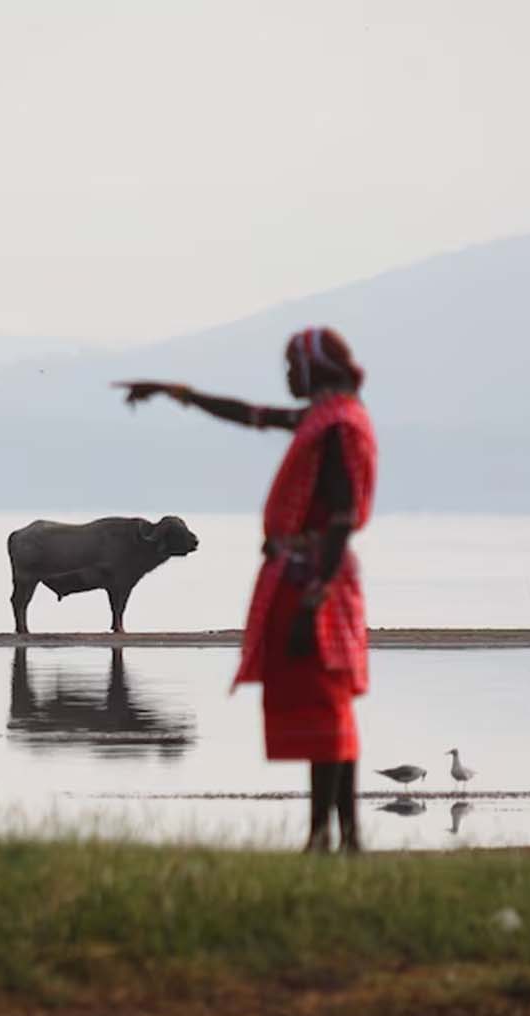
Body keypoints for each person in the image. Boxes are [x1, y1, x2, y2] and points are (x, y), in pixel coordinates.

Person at [118, 327, 377, 853]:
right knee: (325, 708)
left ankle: (330, 836)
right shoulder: (323, 418)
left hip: (314, 580)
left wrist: (313, 599)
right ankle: (337, 837)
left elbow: (342, 517)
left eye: (293, 366)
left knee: (326, 707)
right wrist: (178, 393)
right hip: (306, 575)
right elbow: (251, 415)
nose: (287, 376)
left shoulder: (336, 427)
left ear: (316, 368)